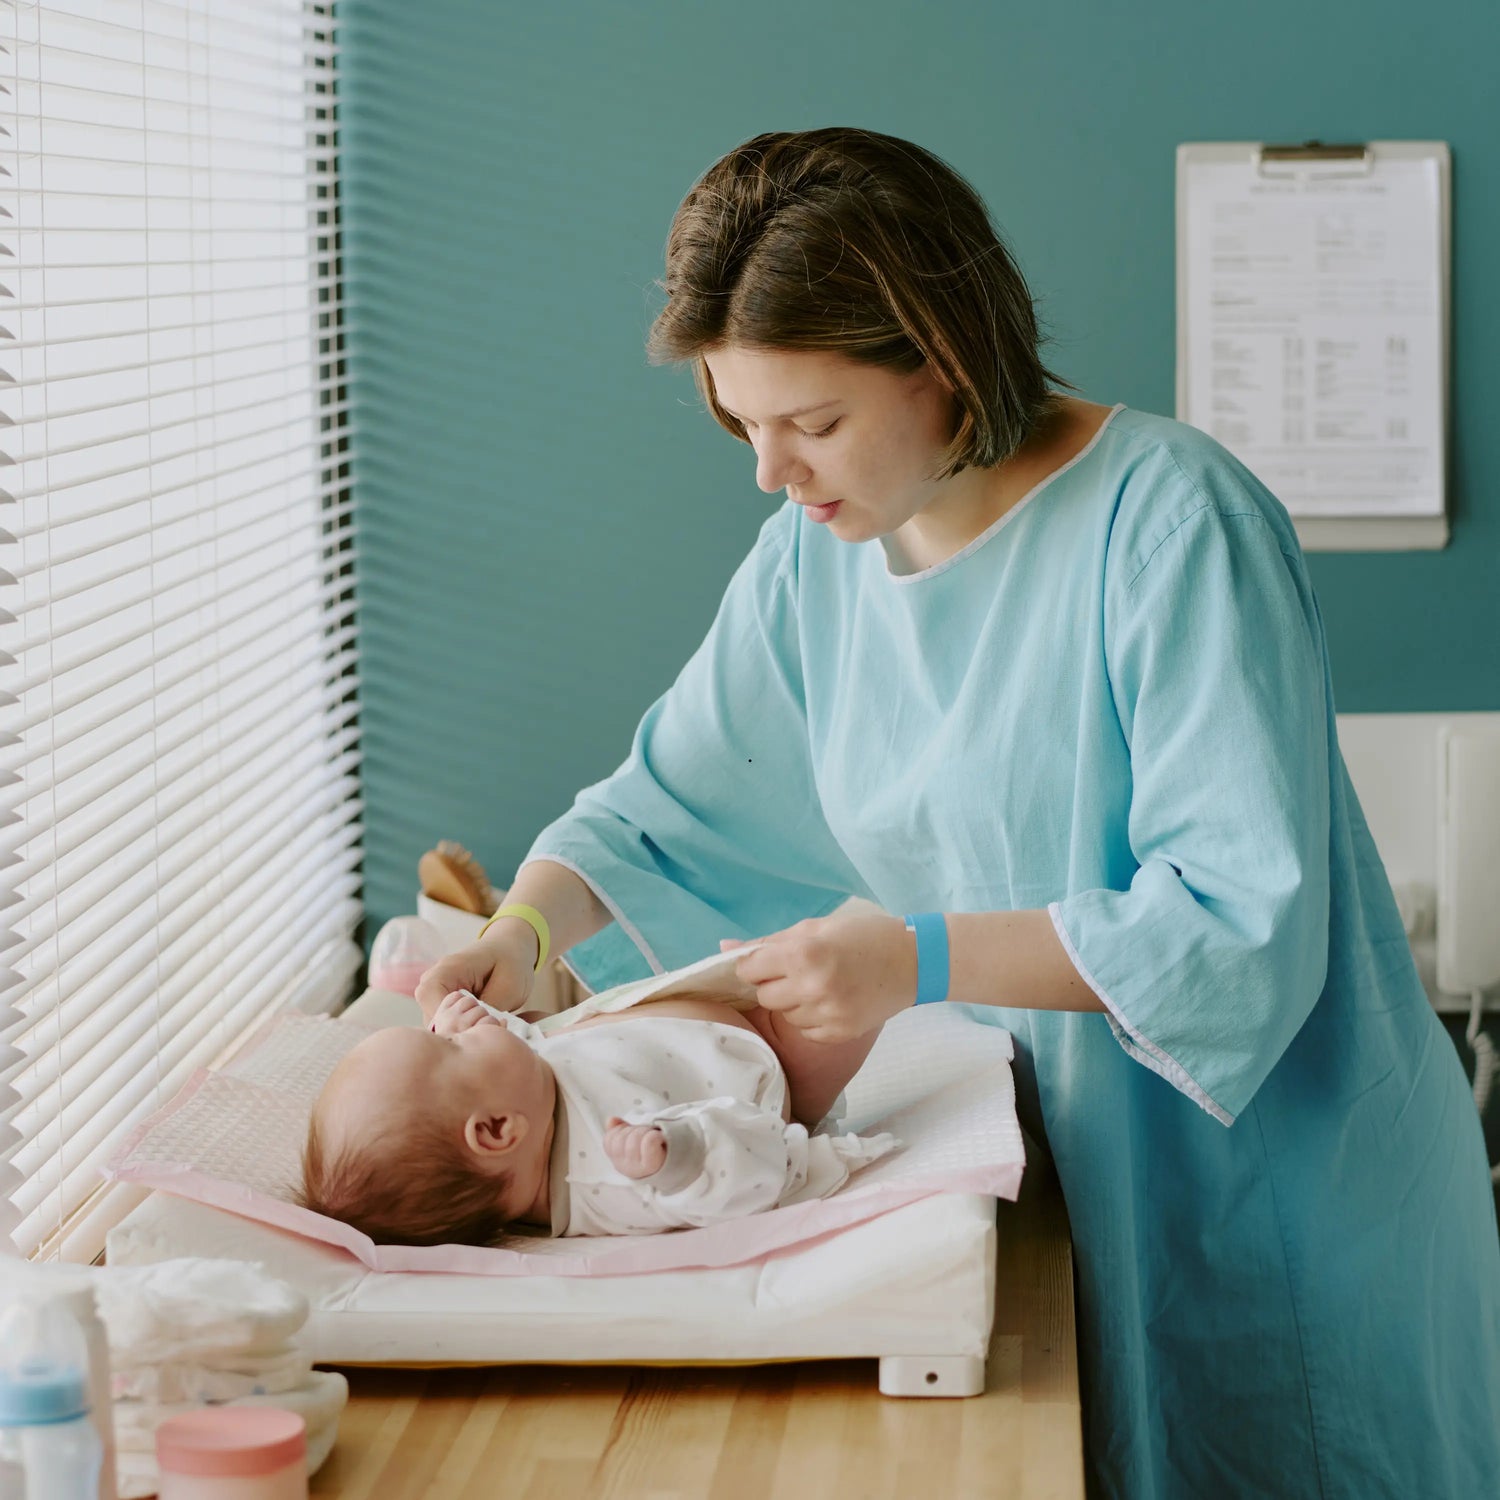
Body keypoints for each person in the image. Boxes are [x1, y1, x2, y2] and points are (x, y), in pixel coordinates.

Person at [414, 127, 1500, 1496]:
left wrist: (915, 958)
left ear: (941, 357)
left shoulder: (1170, 525)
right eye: (744, 426)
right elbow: (664, 801)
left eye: (812, 425)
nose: (775, 473)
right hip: (1058, 1181)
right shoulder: (816, 566)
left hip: (1279, 1200)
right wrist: (520, 927)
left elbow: (1233, 928)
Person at [297, 985, 894, 1245]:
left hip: (700, 1021)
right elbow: (735, 1185)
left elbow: (522, 1053)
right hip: (775, 1065)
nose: (448, 1030)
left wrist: (477, 1029)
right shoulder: (610, 1179)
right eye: (446, 1046)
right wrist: (675, 1157)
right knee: (848, 1002)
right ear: (497, 1131)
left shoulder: (524, 1103)